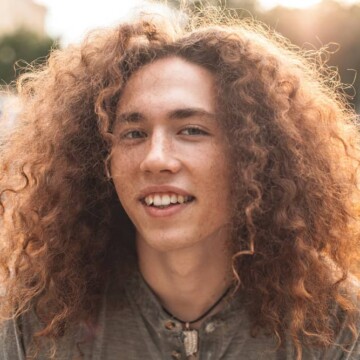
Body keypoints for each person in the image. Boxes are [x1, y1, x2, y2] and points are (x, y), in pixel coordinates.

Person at [0, 3, 359, 360]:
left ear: (256, 153)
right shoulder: (35, 319)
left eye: (191, 130)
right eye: (133, 133)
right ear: (100, 159)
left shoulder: (338, 325)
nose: (155, 159)